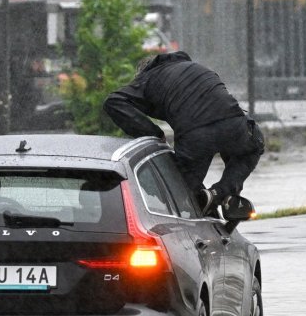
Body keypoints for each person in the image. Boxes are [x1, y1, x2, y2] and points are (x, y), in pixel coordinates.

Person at [103, 51, 264, 215]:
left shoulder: (148, 78)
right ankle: (219, 194)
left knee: (182, 192)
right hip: (233, 122)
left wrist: (153, 134)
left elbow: (113, 102)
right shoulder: (197, 68)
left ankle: (200, 208)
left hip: (195, 135)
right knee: (252, 148)